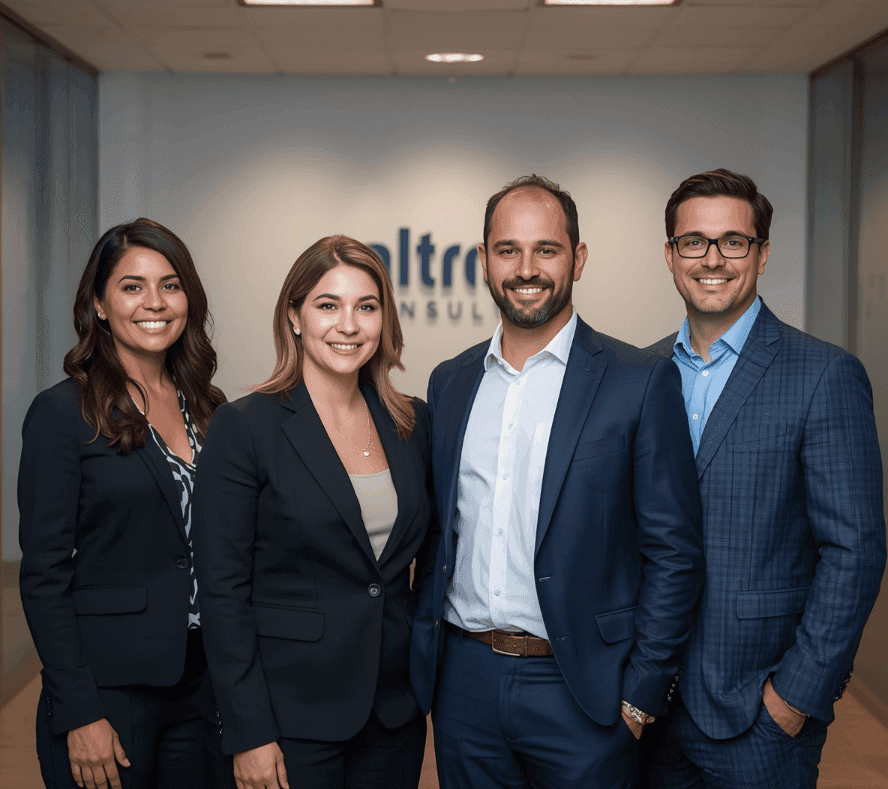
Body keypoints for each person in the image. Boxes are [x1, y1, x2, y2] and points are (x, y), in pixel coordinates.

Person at [408, 174, 705, 789]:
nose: (526, 268)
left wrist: (641, 696)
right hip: (465, 683)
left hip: (585, 691)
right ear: (484, 260)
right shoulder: (452, 382)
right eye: (507, 249)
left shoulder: (638, 381)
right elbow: (441, 533)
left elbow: (674, 553)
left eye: (547, 249)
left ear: (579, 258)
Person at [640, 168, 887, 788]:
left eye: (734, 241)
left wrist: (795, 699)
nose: (713, 259)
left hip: (759, 714)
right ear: (670, 256)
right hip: (646, 707)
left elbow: (855, 553)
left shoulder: (824, 375)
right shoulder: (637, 376)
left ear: (763, 252)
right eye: (694, 242)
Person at [193, 235, 437, 789]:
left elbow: (430, 555)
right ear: (295, 317)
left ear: (384, 320)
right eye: (328, 305)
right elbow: (222, 593)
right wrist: (249, 731)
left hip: (393, 711)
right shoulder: (245, 426)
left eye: (366, 307)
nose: (348, 325)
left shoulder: (411, 424)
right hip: (289, 716)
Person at [18, 219, 230, 789]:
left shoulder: (210, 407)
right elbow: (42, 576)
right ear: (100, 305)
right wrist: (79, 710)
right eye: (132, 287)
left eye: (170, 284)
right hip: (108, 692)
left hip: (202, 685)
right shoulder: (63, 413)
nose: (154, 302)